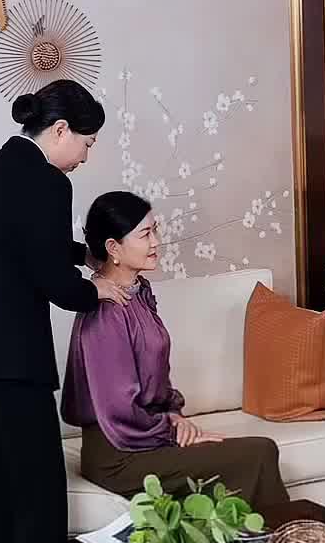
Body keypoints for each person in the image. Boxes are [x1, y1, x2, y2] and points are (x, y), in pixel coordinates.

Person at [0, 79, 127, 543]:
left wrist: (84, 254)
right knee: (39, 504)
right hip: (6, 365)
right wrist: (97, 289)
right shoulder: (48, 182)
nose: (85, 157)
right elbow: (56, 284)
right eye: (87, 143)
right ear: (60, 129)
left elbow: (20, 242)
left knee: (0, 504)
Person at [62, 189, 289, 512]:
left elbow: (155, 381)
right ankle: (286, 541)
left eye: (155, 230)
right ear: (113, 248)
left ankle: (265, 540)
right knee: (259, 452)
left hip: (144, 438)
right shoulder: (107, 312)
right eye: (145, 234)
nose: (156, 242)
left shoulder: (138, 292)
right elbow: (119, 412)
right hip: (120, 455)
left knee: (256, 453)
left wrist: (174, 416)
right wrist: (171, 430)